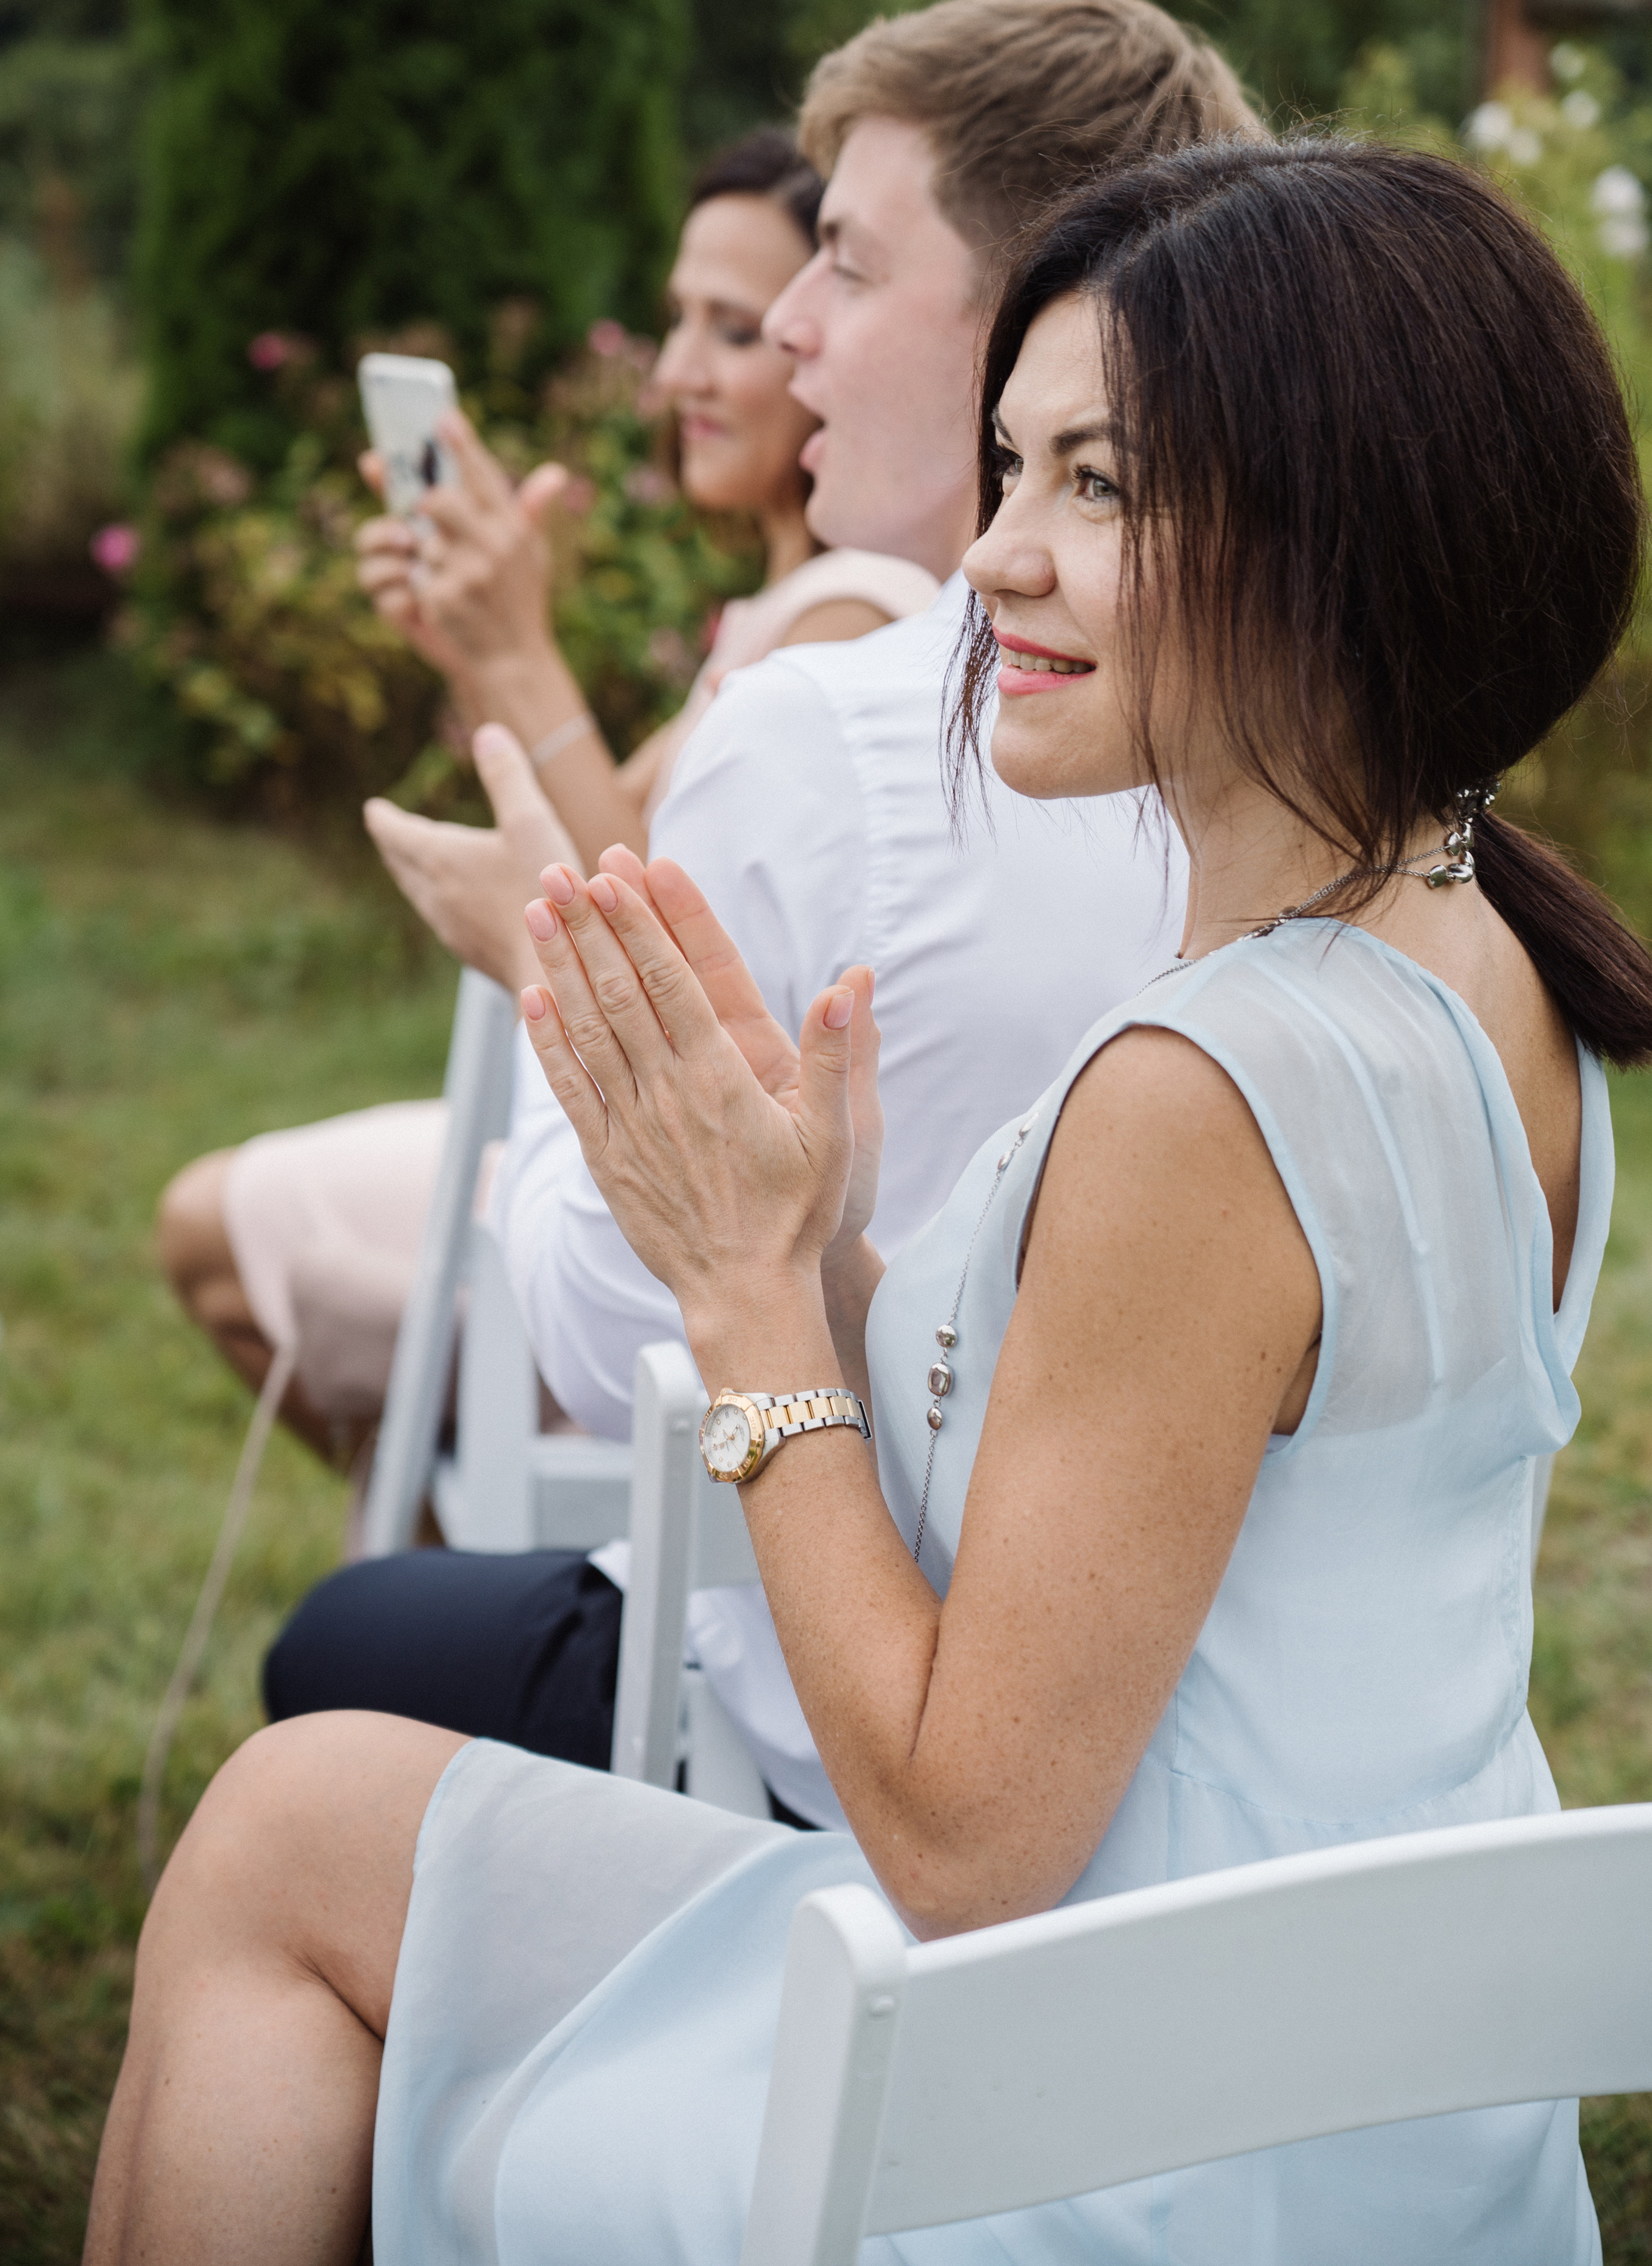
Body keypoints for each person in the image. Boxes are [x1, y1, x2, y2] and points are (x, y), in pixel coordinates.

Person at [86, 134, 1651, 2265]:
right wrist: (818, 1246)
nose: (995, 559)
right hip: (1362, 2082)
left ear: (1352, 523)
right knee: (304, 1813)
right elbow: (1183, 1509)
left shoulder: (1204, 1087)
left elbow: (969, 1841)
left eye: (1098, 486)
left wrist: (741, 1302)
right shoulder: (1493, 980)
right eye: (1008, 471)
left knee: (280, 1840)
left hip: (1112, 2136)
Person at [264, 0, 1256, 1821]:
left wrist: (578, 1029)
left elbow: (603, 1340)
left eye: (845, 271)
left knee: (328, 1675)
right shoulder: (1309, 763)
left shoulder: (843, 722)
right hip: (1224, 1745)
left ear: (1051, 317)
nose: (790, 330)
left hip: (854, 1719)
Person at [153, 131, 932, 1490]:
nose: (680, 370)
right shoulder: (782, 603)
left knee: (212, 1229)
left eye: (734, 329)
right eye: (678, 318)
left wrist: (516, 648)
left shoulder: (850, 616)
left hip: (683, 1221)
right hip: (612, 1173)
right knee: (220, 1230)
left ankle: (469, 1557)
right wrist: (482, 648)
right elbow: (600, 825)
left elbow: (623, 904)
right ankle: (456, 1560)